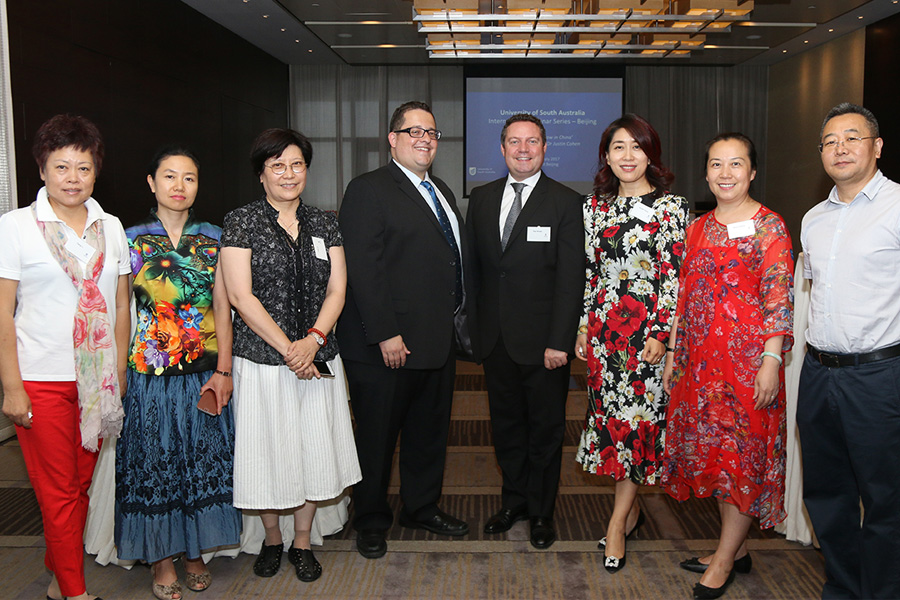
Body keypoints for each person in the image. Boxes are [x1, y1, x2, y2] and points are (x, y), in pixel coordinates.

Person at [219, 128, 361, 583]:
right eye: (277, 165)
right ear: (261, 174)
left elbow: (338, 289)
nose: (288, 173)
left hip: (319, 359)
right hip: (263, 362)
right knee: (267, 452)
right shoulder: (241, 221)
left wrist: (313, 340)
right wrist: (290, 350)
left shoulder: (324, 222)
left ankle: (301, 541)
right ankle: (271, 539)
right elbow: (240, 296)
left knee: (314, 450)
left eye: (297, 164)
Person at [0, 114, 130, 600]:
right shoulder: (15, 227)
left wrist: (118, 372)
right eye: (61, 167)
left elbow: (121, 304)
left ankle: (58, 579)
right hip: (41, 379)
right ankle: (75, 593)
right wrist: (12, 387)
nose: (72, 178)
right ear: (41, 170)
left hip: (96, 383)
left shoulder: (110, 226)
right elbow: (3, 313)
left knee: (78, 488)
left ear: (96, 172)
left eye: (83, 167)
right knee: (57, 492)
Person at [662, 133, 793, 600]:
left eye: (736, 164)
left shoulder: (769, 226)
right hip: (700, 367)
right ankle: (735, 549)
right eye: (716, 164)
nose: (725, 173)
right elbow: (683, 296)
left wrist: (771, 360)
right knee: (718, 459)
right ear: (706, 173)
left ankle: (723, 559)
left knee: (743, 459)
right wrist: (673, 354)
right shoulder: (697, 228)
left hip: (748, 370)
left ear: (752, 172)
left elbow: (778, 299)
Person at [338, 100, 470, 559]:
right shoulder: (368, 189)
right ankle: (371, 519)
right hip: (386, 345)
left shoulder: (441, 190)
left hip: (436, 339)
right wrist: (385, 333)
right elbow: (364, 267)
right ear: (392, 139)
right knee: (377, 437)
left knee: (427, 434)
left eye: (431, 133)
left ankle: (421, 507)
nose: (424, 139)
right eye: (414, 131)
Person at [114, 146, 241, 599]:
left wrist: (224, 369)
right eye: (169, 176)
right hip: (148, 373)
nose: (179, 186)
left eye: (189, 177)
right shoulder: (129, 238)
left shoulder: (214, 238)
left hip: (203, 372)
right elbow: (121, 310)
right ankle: (161, 559)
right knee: (156, 464)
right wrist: (118, 372)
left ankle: (195, 553)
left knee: (201, 463)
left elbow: (223, 308)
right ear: (152, 183)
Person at [574, 114, 687, 571]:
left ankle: (618, 522)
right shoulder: (593, 208)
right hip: (605, 337)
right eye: (618, 147)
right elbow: (590, 273)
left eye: (636, 147)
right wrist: (583, 327)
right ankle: (632, 509)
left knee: (636, 427)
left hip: (646, 340)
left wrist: (661, 334)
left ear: (650, 154)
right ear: (606, 155)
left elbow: (673, 277)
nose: (627, 156)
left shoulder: (671, 207)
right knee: (611, 425)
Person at [466, 113, 583, 549]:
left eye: (532, 141)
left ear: (545, 148)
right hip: (496, 341)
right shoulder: (481, 198)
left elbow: (571, 280)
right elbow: (476, 272)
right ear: (502, 149)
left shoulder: (566, 202)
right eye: (514, 141)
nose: (523, 149)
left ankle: (541, 512)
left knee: (545, 431)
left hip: (544, 345)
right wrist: (476, 334)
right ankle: (513, 500)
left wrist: (559, 341)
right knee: (506, 427)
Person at [798, 103, 900, 600]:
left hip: (879, 377)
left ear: (876, 147)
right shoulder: (813, 218)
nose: (840, 148)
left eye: (852, 138)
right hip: (818, 373)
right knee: (826, 496)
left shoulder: (897, 206)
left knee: (885, 501)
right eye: (830, 141)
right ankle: (842, 589)